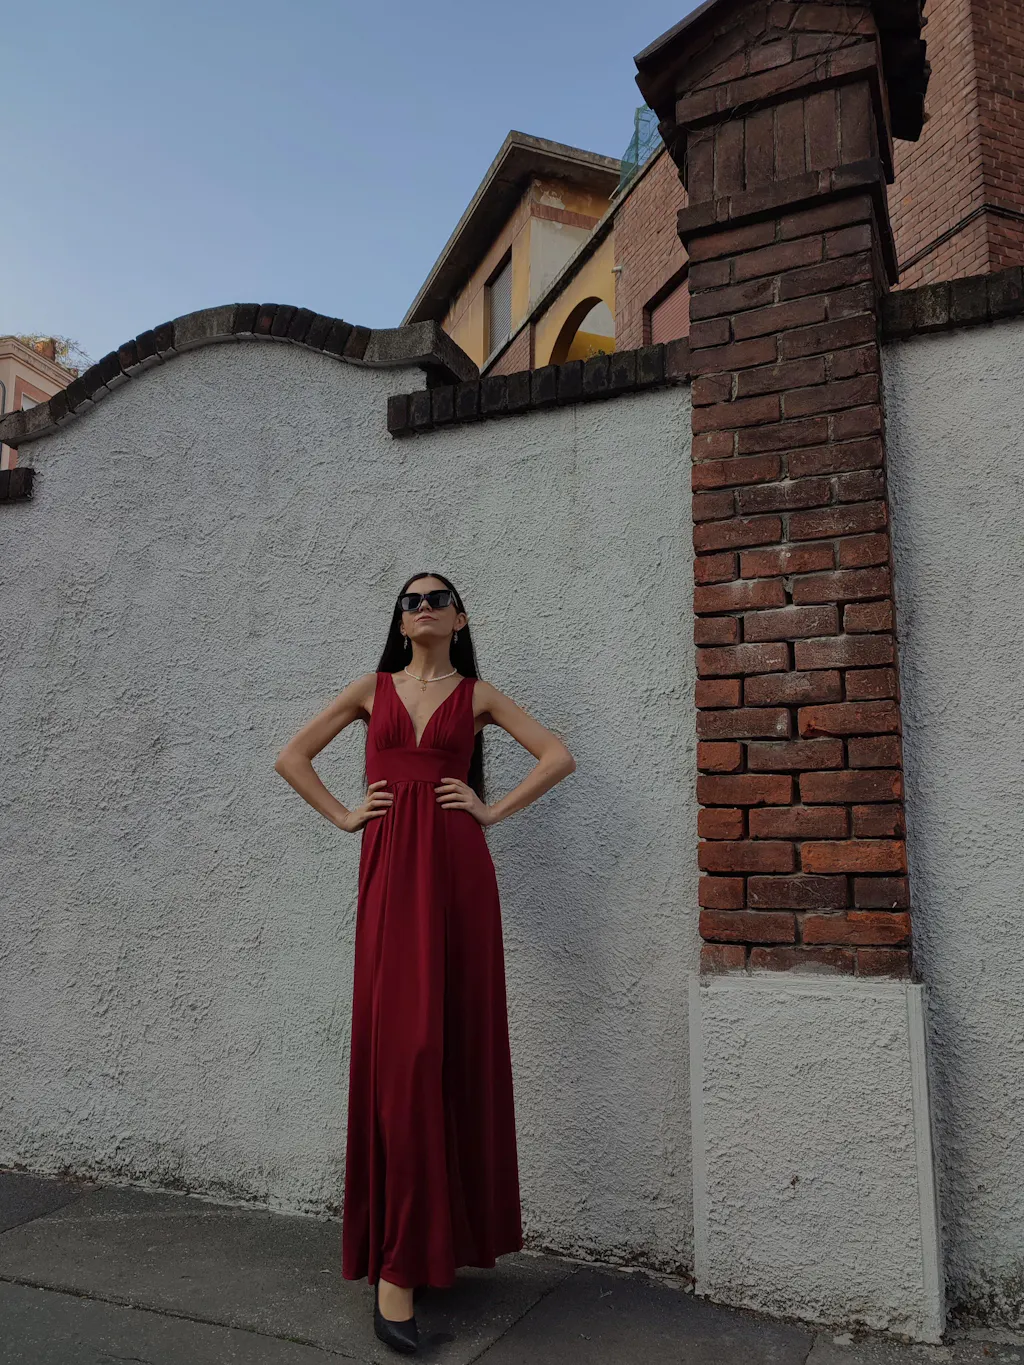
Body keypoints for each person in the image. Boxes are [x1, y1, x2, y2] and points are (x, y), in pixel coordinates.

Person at [274, 571, 576, 1354]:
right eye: (411, 600)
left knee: (452, 1049)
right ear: (400, 621)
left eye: (438, 597)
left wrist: (490, 808)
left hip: (457, 874)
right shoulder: (370, 690)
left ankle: (430, 1248)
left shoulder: (476, 696)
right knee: (403, 1054)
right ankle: (398, 1268)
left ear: (460, 616)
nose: (424, 606)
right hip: (390, 876)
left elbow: (557, 754)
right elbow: (292, 756)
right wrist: (346, 814)